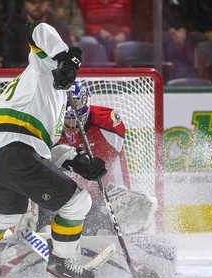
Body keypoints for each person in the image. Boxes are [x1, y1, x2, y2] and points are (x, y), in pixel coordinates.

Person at [0, 22, 107, 278]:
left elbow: (44, 150)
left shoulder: (51, 107)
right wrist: (65, 61)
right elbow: (41, 29)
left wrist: (77, 160)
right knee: (77, 202)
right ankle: (61, 264)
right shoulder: (44, 68)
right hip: (15, 149)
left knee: (5, 215)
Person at [35, 81, 158, 236]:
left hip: (97, 198)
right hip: (56, 197)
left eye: (77, 118)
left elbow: (118, 166)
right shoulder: (45, 125)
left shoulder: (106, 124)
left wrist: (120, 195)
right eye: (67, 118)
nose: (72, 124)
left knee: (133, 207)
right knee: (42, 225)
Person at [1, 0, 72, 68]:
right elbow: (8, 62)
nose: (37, 5)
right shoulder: (14, 27)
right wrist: (34, 67)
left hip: (54, 74)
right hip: (24, 73)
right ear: (25, 4)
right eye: (32, 2)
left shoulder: (59, 26)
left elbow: (68, 56)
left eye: (41, 1)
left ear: (48, 3)